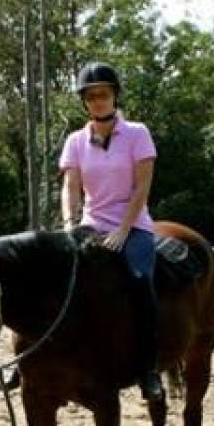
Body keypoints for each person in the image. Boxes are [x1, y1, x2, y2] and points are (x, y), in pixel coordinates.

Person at [59, 62, 163, 402]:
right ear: (84, 102)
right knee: (60, 279)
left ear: (114, 96)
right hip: (90, 224)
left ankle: (148, 369)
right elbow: (71, 187)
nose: (98, 101)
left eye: (103, 94)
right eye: (91, 96)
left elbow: (143, 185)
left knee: (138, 280)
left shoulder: (137, 133)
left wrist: (124, 228)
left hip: (133, 226)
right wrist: (69, 224)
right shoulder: (75, 141)